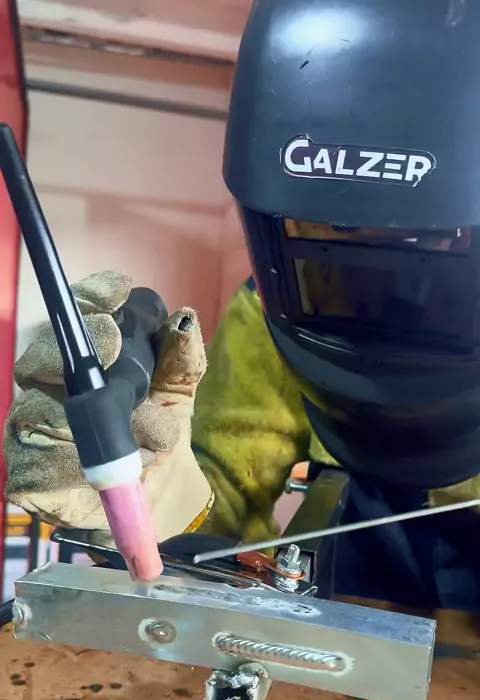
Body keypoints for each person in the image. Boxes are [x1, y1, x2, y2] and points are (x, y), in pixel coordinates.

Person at [4, 0, 480, 649]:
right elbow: (225, 503)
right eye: (335, 233)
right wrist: (146, 490)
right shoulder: (274, 305)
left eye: (434, 243)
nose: (386, 287)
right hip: (344, 624)